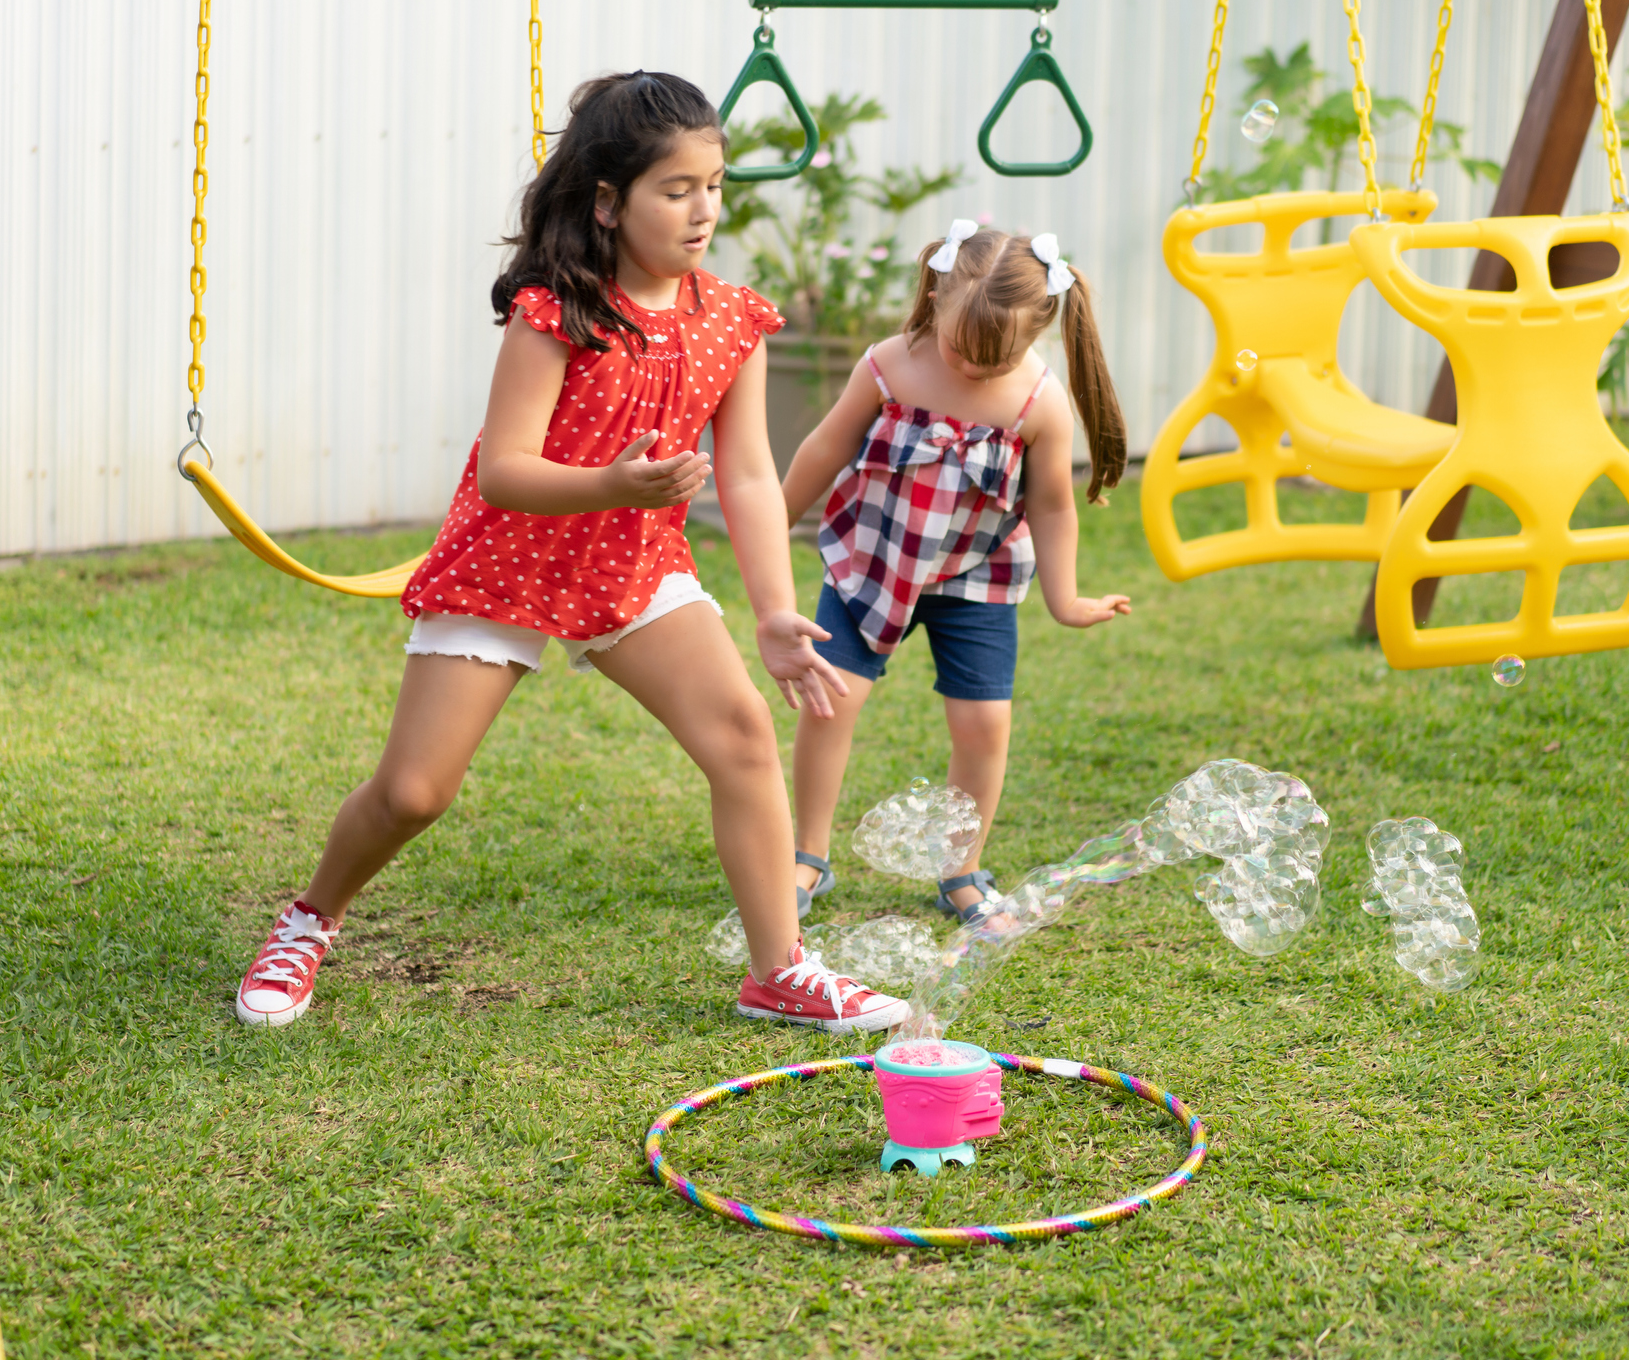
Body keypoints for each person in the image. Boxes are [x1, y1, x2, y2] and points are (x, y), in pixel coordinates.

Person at [232, 72, 908, 1034]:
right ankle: (309, 919)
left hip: (633, 565)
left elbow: (750, 475)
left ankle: (779, 970)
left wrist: (770, 612)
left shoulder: (732, 323)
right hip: (510, 559)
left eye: (714, 186)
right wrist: (609, 485)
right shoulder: (555, 312)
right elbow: (505, 470)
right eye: (676, 190)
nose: (703, 209)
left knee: (744, 737)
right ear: (608, 199)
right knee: (415, 792)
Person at [781, 222, 1132, 925]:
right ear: (937, 296)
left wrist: (1064, 600)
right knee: (831, 700)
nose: (972, 370)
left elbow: (1054, 506)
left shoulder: (1037, 403)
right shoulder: (890, 365)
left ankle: (961, 869)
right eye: (960, 350)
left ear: (1033, 337)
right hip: (874, 559)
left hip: (977, 578)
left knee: (982, 725)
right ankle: (807, 856)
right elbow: (823, 449)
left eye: (994, 359)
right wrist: (771, 521)